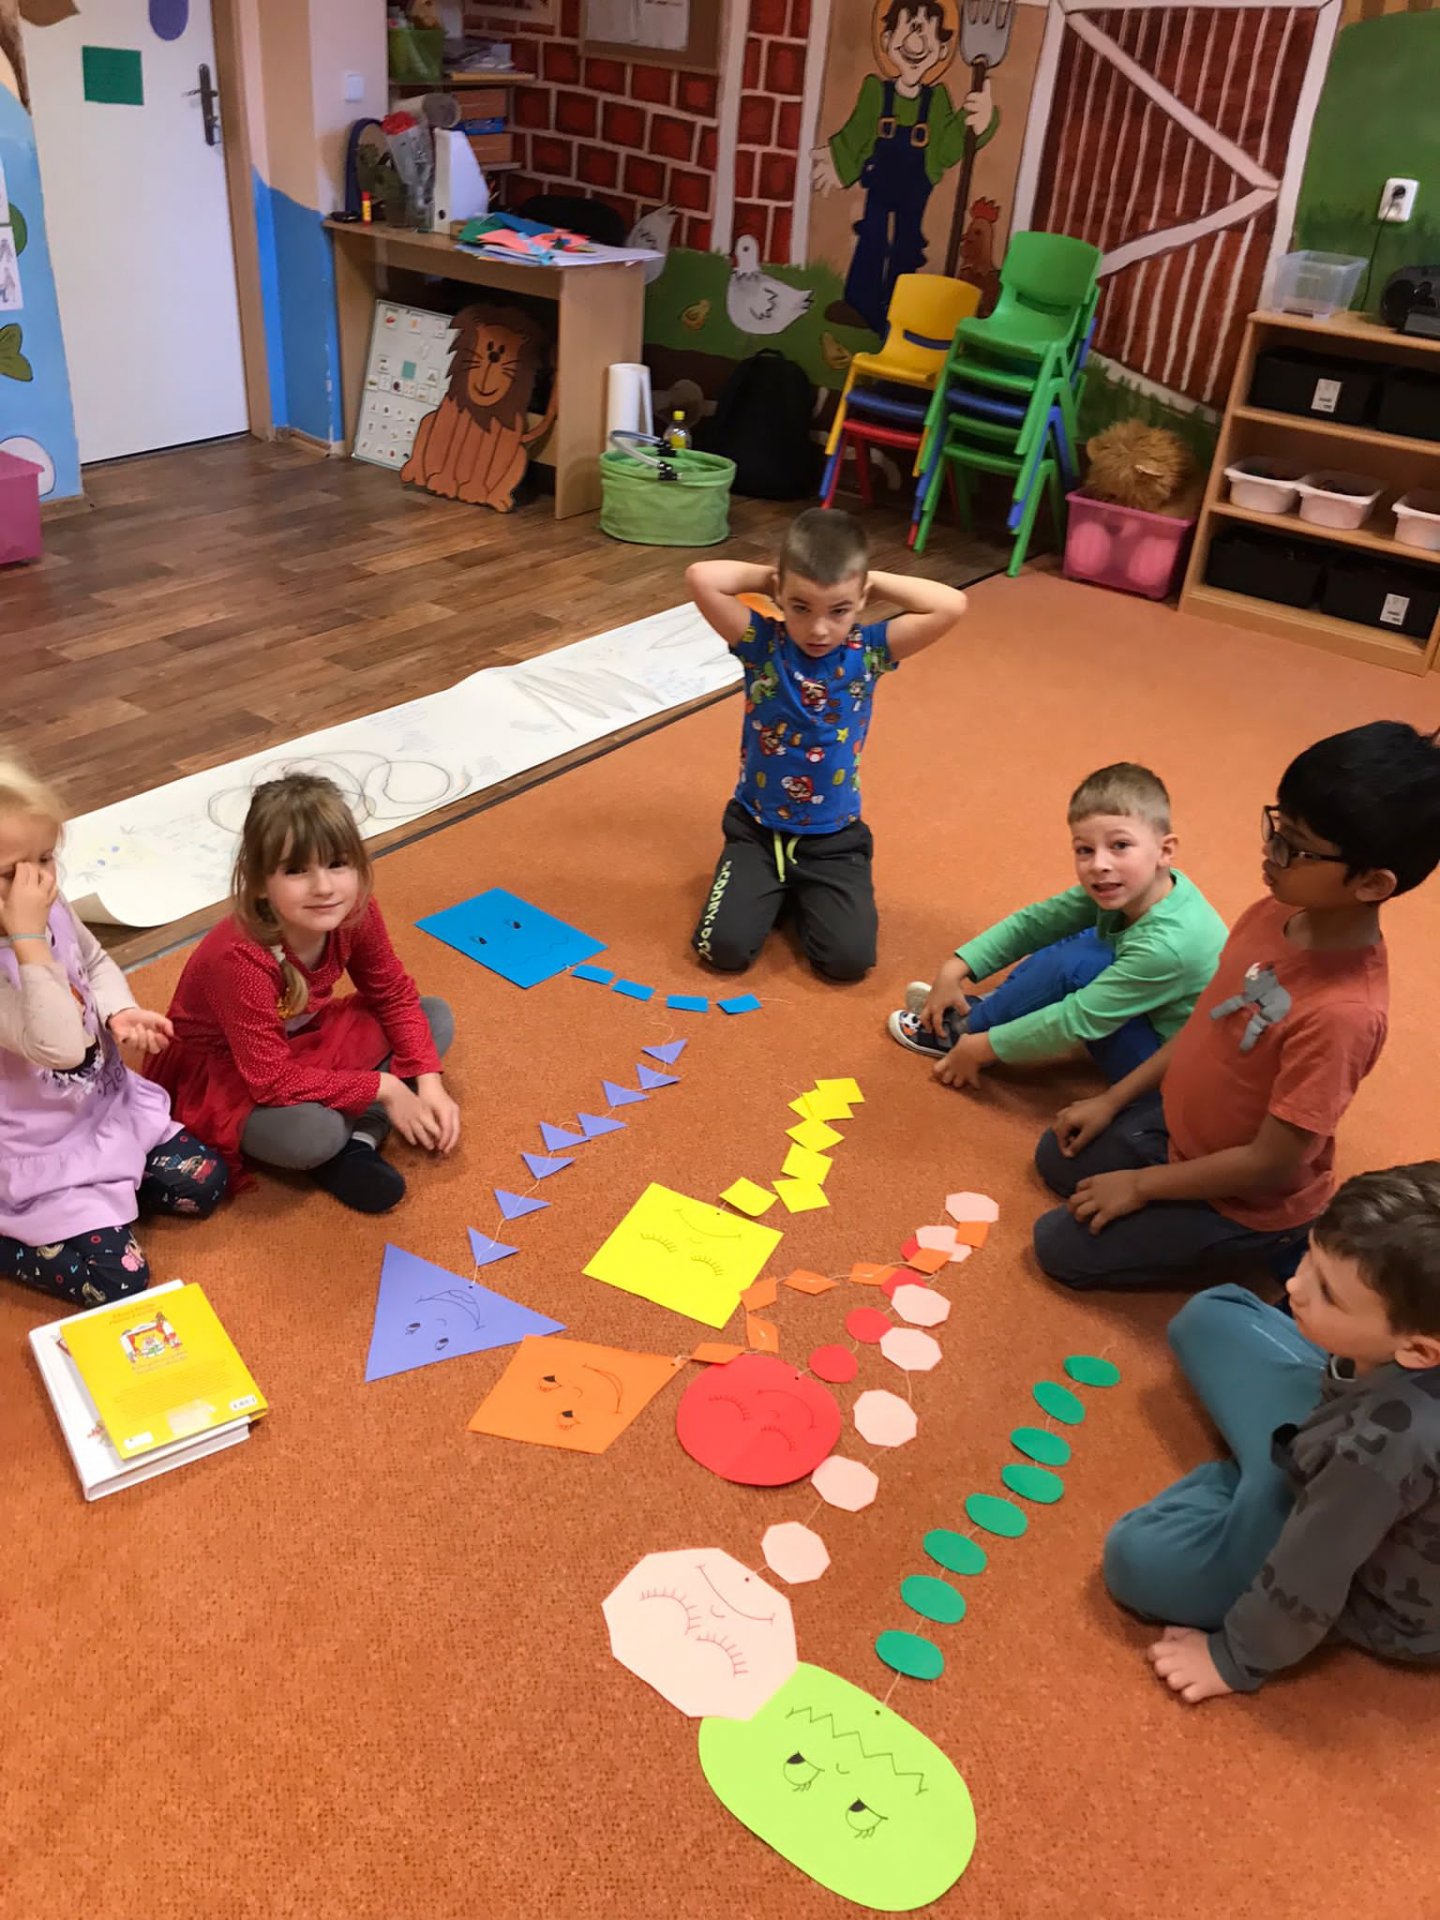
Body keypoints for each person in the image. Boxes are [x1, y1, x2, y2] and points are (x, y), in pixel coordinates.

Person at [1032, 721, 1440, 1291]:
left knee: (1058, 1247)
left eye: (1294, 846)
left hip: (1244, 1198)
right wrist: (1113, 1098)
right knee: (1056, 1157)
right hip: (1183, 1133)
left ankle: (1273, 1243)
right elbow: (1207, 1023)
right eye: (1276, 826)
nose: (1270, 852)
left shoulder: (1345, 1014)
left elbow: (1271, 1163)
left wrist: (1141, 1187)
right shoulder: (1275, 911)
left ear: (1371, 884)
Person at [1105, 1162, 1440, 1703]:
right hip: (1347, 1426)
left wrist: (1233, 1658)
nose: (1294, 1287)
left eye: (1328, 1293)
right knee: (1210, 1314)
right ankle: (1274, 1463)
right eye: (1309, 1255)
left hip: (1370, 1566)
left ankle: (1264, 1474)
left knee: (1136, 1560)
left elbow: (1314, 1571)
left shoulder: (1380, 1450)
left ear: (1419, 1350)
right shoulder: (1406, 1351)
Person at [147, 774, 457, 1215]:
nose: (324, 887)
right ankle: (356, 1134)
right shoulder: (238, 956)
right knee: (312, 1136)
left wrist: (429, 1080)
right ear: (259, 882)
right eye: (296, 870)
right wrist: (386, 1087)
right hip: (230, 1072)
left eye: (338, 864)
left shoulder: (355, 910)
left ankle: (358, 1137)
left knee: (434, 1017)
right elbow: (269, 1080)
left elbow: (391, 993)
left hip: (298, 1042)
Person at [687, 508, 968, 981]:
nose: (819, 629)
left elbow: (951, 605)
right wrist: (776, 578)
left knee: (847, 962)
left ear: (860, 601)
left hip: (834, 840)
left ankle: (796, 893)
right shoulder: (761, 643)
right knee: (722, 950)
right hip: (758, 830)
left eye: (839, 610)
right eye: (801, 607)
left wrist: (867, 581)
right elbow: (701, 576)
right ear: (780, 595)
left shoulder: (870, 651)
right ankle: (772, 888)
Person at [0, 759, 226, 1306]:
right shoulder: (26, 931)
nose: (38, 884)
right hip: (37, 1148)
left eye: (45, 859)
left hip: (103, 1110)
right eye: (11, 873)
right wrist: (28, 938)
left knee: (206, 1182)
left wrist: (116, 1012)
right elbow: (58, 1048)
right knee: (118, 1282)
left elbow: (94, 961)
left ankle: (105, 1191)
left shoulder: (48, 905)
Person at [888, 762, 1226, 1089]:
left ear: (1165, 850)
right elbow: (1037, 923)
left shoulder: (1166, 947)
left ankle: (965, 1030)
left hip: (1168, 1079)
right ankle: (997, 1010)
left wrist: (983, 1047)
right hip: (1155, 1016)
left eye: (1120, 846)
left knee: (1082, 964)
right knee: (1085, 934)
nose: (1099, 864)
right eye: (1085, 850)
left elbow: (1075, 1019)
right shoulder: (1149, 886)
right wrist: (956, 967)